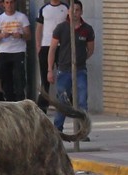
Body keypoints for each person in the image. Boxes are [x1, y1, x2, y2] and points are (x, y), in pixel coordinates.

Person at [47, 0, 94, 135]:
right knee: (63, 101)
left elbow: (90, 50)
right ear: (68, 11)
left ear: (81, 12)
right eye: (72, 10)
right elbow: (52, 49)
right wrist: (50, 69)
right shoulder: (61, 28)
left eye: (77, 10)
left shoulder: (87, 29)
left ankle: (82, 131)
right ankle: (57, 130)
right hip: (64, 70)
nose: (74, 13)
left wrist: (80, 60)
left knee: (82, 101)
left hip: (80, 70)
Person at [0, 0, 30, 101]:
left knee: (19, 79)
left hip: (18, 51)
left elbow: (29, 35)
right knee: (6, 79)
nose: (9, 5)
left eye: (11, 2)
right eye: (7, 2)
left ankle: (20, 102)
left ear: (15, 3)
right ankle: (9, 101)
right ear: (3, 4)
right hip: (4, 51)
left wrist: (20, 35)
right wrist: (2, 35)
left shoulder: (22, 17)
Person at [35, 0, 68, 114]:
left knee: (63, 76)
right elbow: (39, 28)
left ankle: (64, 104)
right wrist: (38, 46)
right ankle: (42, 106)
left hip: (61, 47)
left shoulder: (66, 8)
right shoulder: (43, 9)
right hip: (46, 46)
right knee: (45, 78)